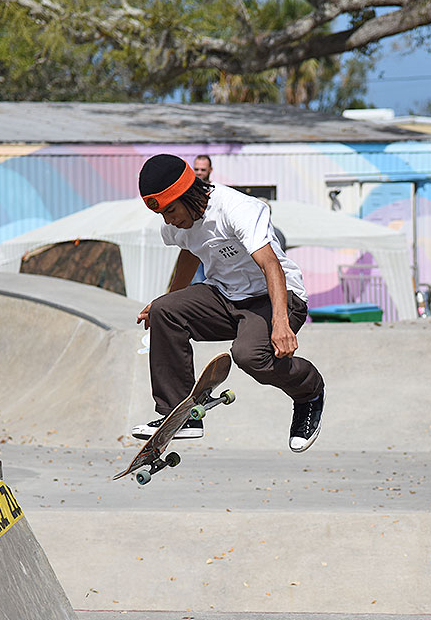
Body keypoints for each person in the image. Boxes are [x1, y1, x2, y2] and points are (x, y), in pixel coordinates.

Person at [133, 154, 325, 451]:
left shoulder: (237, 208)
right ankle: (180, 413)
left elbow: (271, 265)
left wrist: (281, 323)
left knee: (249, 355)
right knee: (164, 311)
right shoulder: (176, 225)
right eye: (163, 215)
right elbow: (189, 251)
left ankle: (309, 390)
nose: (169, 221)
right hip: (226, 297)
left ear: (189, 194)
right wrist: (168, 300)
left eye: (171, 210)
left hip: (278, 296)